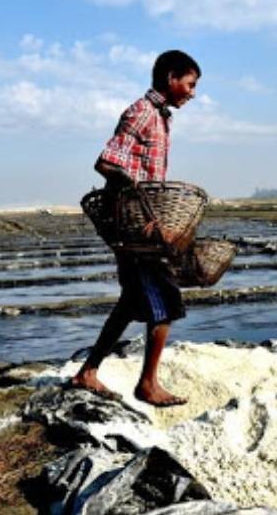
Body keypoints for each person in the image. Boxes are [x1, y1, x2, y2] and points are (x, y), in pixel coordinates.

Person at [72, 49, 200, 407]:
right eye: (189, 84)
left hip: (142, 227)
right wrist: (141, 206)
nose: (192, 92)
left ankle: (87, 372)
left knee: (130, 303)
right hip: (137, 232)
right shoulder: (142, 113)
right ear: (171, 78)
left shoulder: (161, 118)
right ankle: (148, 384)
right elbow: (107, 163)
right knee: (167, 302)